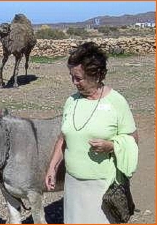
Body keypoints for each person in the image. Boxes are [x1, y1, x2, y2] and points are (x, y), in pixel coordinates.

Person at [45, 42, 139, 224]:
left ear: (96, 75)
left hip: (101, 185)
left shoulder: (116, 102)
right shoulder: (71, 101)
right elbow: (62, 138)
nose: (74, 82)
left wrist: (111, 146)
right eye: (71, 77)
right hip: (72, 184)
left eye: (78, 78)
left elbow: (133, 139)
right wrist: (52, 167)